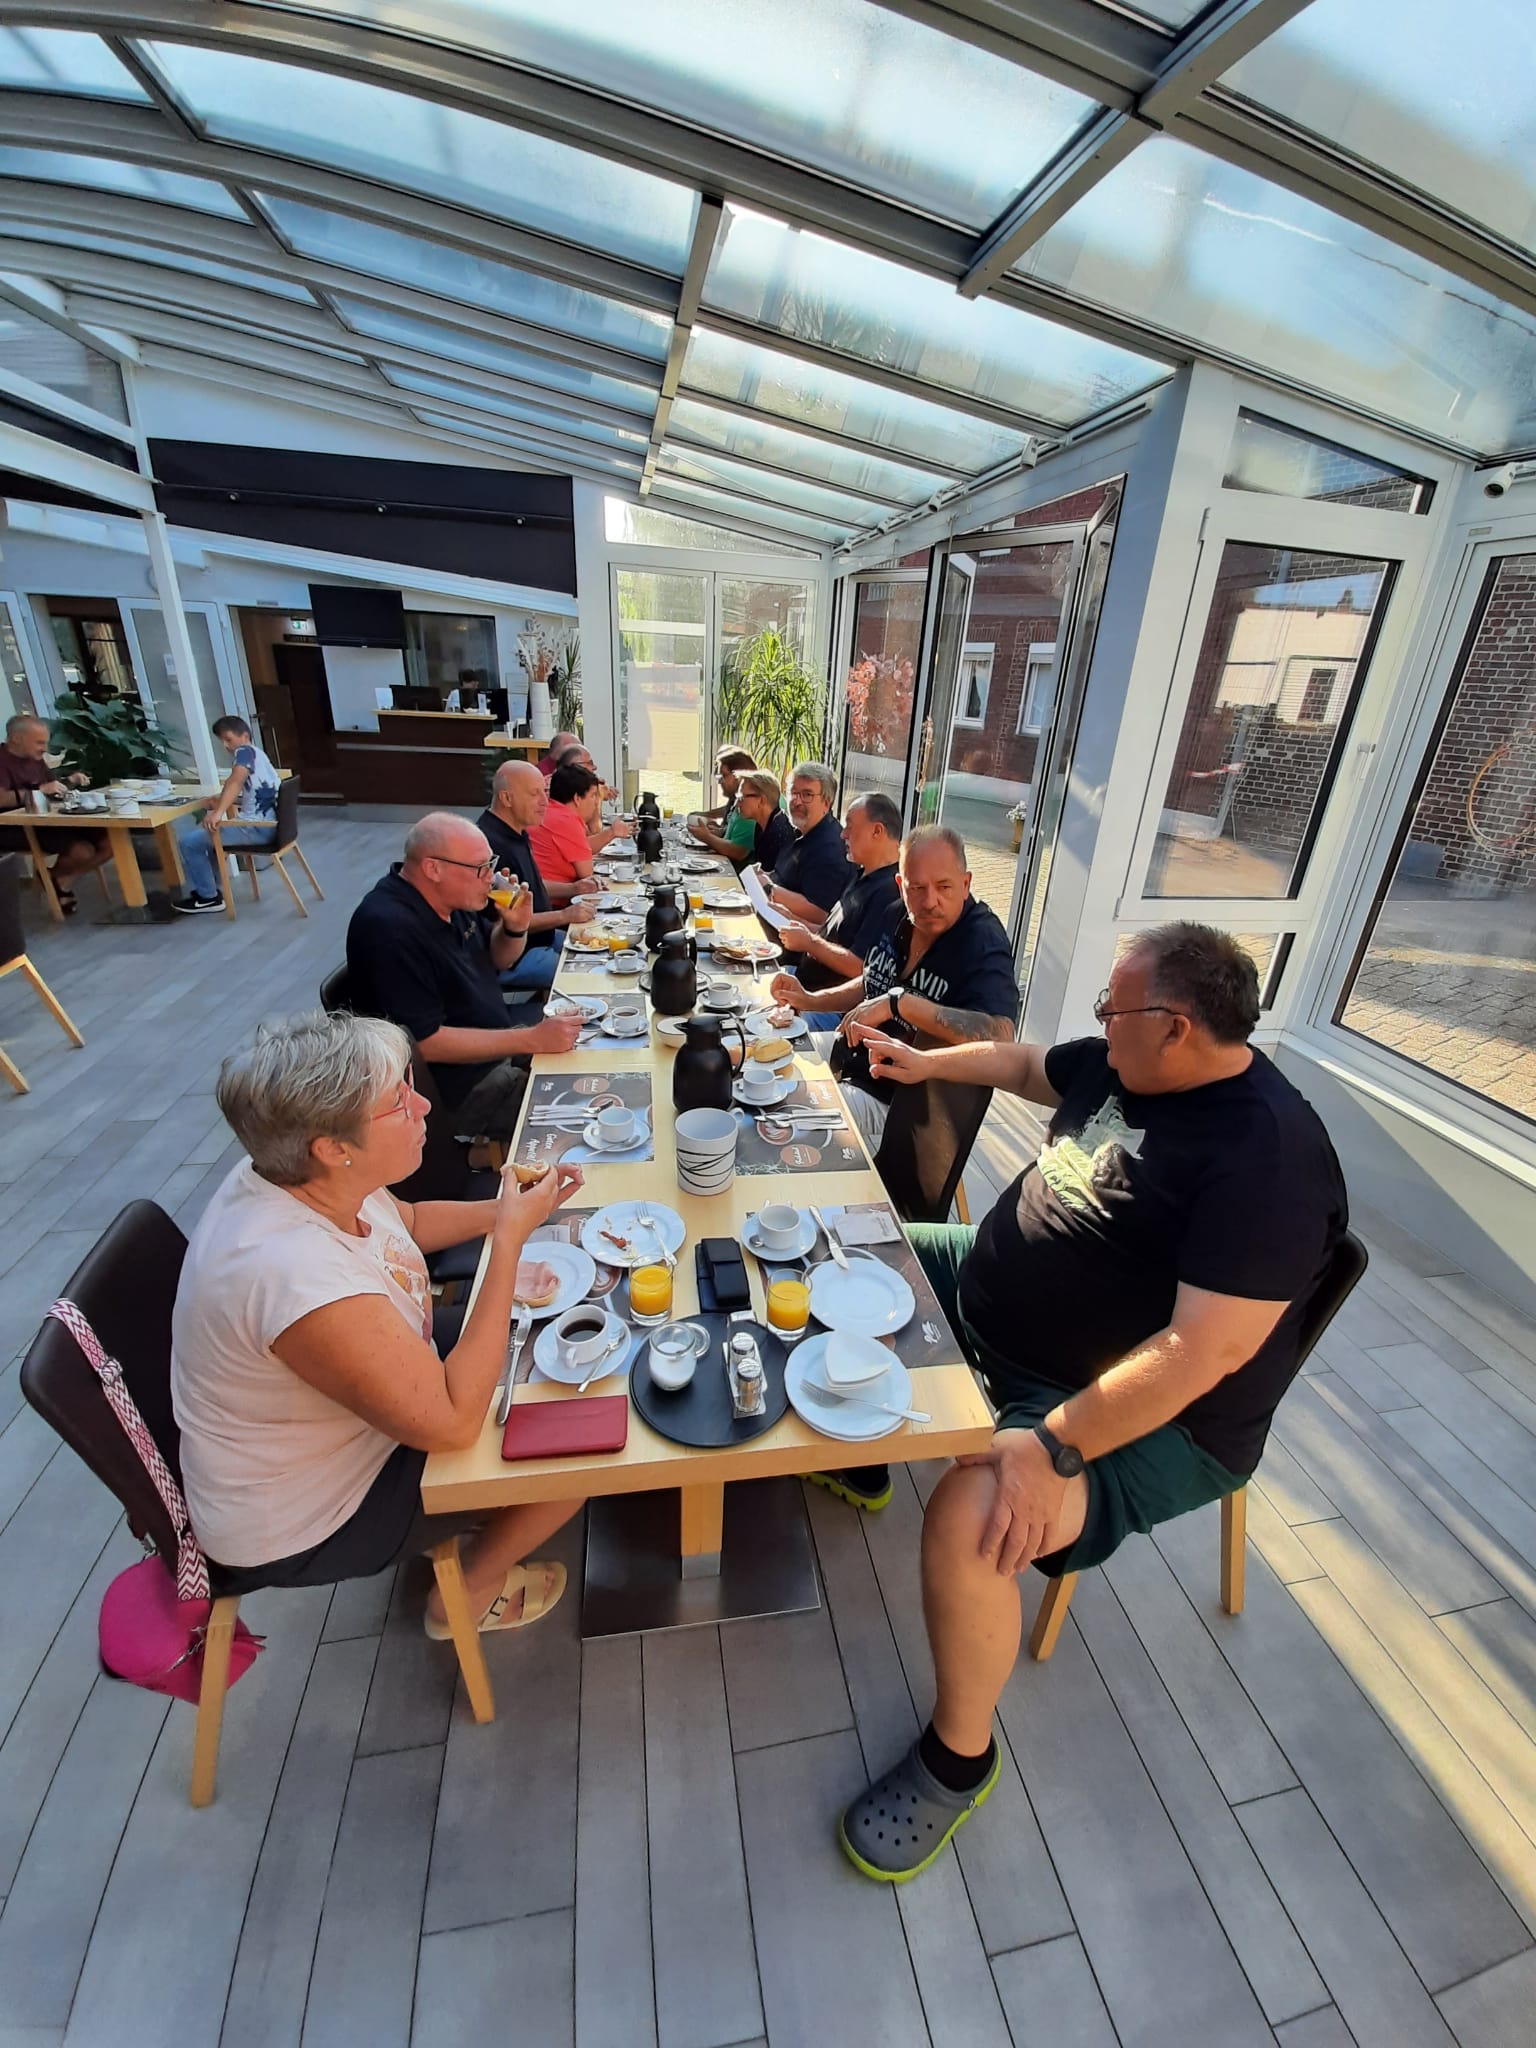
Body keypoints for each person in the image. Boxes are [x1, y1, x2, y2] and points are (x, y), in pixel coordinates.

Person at [832, 925, 1347, 1884]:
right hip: (995, 1304)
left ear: (1178, 1026)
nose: (1101, 1021)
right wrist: (923, 1062)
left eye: (1116, 1008)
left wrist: (1053, 1446)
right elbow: (1026, 1064)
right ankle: (863, 1459)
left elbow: (1202, 1352)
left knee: (975, 1518)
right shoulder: (1130, 1063)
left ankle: (958, 1759)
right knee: (850, 1250)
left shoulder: (1267, 1159)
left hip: (1143, 1412)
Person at [172, 1010, 585, 1635]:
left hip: (352, 1419)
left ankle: (479, 1526)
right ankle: (467, 1593)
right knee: (577, 1442)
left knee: (564, 1351)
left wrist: (510, 1210)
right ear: (332, 1147)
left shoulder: (300, 1172)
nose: (424, 1105)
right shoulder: (293, 1273)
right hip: (311, 1511)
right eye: (398, 1100)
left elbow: (407, 1225)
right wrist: (507, 1241)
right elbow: (453, 1422)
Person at [770, 825, 1018, 1152]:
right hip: (853, 1057)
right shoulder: (898, 914)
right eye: (917, 888)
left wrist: (901, 1003)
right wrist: (811, 1000)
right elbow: (873, 981)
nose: (930, 901)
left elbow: (1001, 1035)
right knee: (774, 1057)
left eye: (944, 886)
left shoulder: (983, 940)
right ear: (901, 886)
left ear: (966, 883)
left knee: (788, 1119)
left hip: (901, 1104)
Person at [346, 811, 581, 1138]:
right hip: (458, 1088)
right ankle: (481, 1156)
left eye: (490, 865)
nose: (491, 878)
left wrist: (515, 927)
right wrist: (531, 1038)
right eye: (480, 868)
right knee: (583, 1110)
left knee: (590, 1052)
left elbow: (499, 960)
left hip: (497, 1045)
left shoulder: (452, 901)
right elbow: (425, 1043)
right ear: (433, 868)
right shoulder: (388, 928)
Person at [477, 760, 595, 995]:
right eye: (534, 794)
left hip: (543, 938)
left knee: (602, 947)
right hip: (520, 956)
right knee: (590, 977)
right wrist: (564, 915)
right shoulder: (491, 846)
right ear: (506, 798)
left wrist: (574, 888)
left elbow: (529, 888)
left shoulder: (516, 830)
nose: (545, 802)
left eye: (544, 792)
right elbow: (510, 921)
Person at [774, 790, 901, 1001]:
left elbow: (860, 967)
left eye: (850, 826)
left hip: (823, 1003)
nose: (843, 835)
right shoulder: (862, 873)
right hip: (803, 980)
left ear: (877, 831)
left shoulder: (889, 892)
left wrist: (809, 943)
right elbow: (833, 935)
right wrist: (790, 918)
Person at [0, 710, 109, 914]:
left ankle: (58, 880)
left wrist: (69, 781)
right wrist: (39, 791)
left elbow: (50, 787)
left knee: (111, 842)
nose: (44, 748)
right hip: (12, 826)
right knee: (82, 851)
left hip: (47, 820)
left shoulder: (34, 758)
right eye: (39, 743)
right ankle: (54, 883)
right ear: (16, 738)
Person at [174, 715, 281, 914]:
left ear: (245, 736)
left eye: (228, 739)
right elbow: (258, 793)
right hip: (271, 826)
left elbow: (235, 781)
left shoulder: (244, 752)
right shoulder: (260, 755)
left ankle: (208, 897)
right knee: (210, 842)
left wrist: (218, 812)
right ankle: (210, 890)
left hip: (256, 828)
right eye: (222, 741)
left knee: (189, 842)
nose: (225, 745)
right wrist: (227, 800)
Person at [750, 761, 854, 921]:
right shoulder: (802, 830)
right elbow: (789, 880)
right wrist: (764, 876)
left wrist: (768, 887)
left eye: (807, 795)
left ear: (826, 803)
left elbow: (818, 912)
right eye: (793, 792)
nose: (797, 801)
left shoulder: (830, 848)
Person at [530, 759, 604, 888]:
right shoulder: (566, 820)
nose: (595, 801)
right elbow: (586, 873)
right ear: (577, 798)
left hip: (539, 889)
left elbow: (586, 843)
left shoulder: (549, 811)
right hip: (555, 896)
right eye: (593, 795)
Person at [686, 747, 757, 864]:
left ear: (739, 776)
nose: (720, 782)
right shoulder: (742, 798)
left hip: (741, 871)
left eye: (723, 776)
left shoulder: (751, 801)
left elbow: (737, 852)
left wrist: (706, 837)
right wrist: (721, 831)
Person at [732, 769, 793, 875]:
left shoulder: (778, 834)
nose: (736, 804)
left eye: (741, 798)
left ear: (761, 800)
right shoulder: (762, 825)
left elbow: (774, 881)